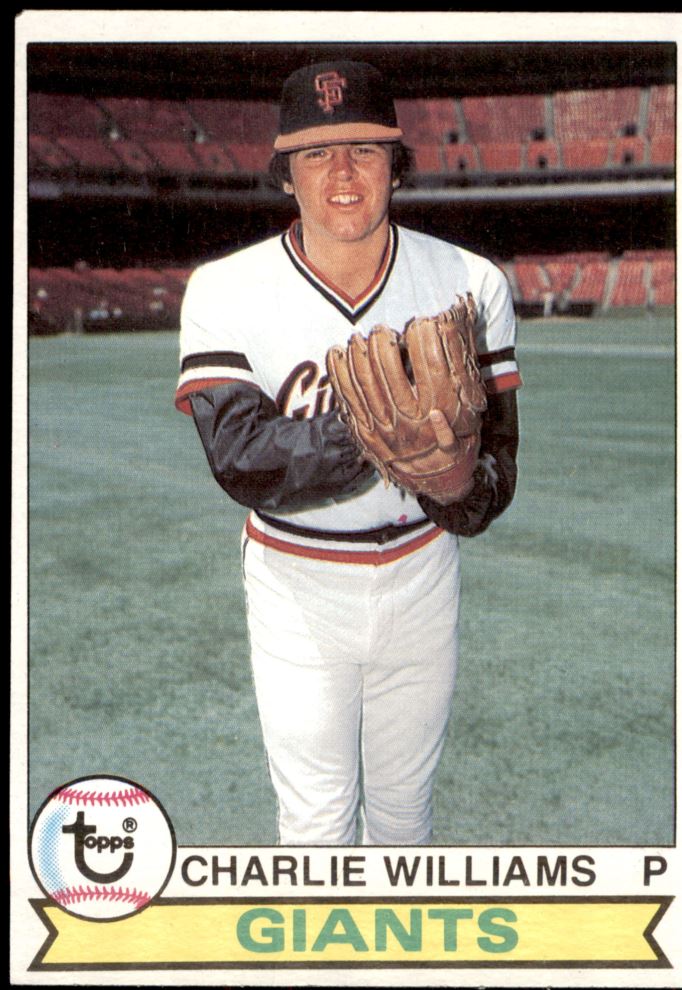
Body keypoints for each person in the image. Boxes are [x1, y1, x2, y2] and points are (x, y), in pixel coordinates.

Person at [175, 60, 522, 846]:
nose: (340, 173)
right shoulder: (224, 287)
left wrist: (456, 484)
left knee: (404, 818)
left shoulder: (469, 281)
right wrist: (374, 427)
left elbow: (495, 477)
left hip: (423, 572)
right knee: (316, 823)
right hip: (296, 582)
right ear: (285, 173)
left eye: (364, 150)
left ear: (395, 165)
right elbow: (243, 461)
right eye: (315, 154)